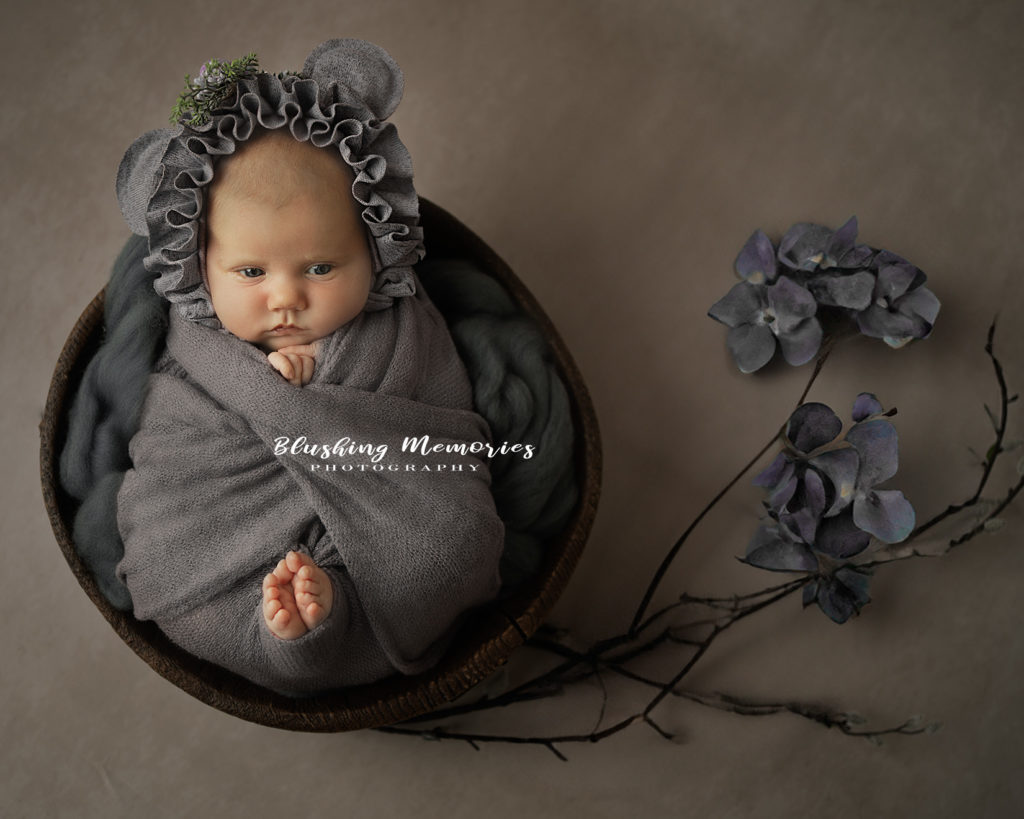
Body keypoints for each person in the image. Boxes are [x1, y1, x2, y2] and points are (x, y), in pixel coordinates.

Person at [114, 40, 506, 695]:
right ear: (197, 267)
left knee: (452, 545)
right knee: (165, 561)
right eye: (250, 272)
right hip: (225, 515)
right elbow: (172, 440)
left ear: (376, 244)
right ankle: (290, 638)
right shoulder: (195, 342)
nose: (287, 297)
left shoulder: (400, 324)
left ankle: (323, 613)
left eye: (321, 267)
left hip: (390, 507)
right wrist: (263, 387)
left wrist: (326, 387)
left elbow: (442, 428)